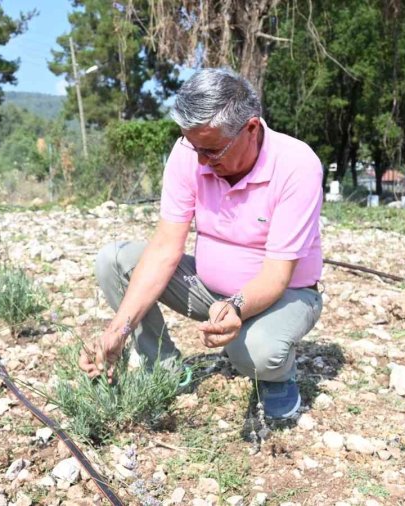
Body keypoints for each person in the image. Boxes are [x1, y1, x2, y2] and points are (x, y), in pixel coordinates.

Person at [80, 68, 324, 420]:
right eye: (193, 147)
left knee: (257, 352)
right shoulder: (189, 151)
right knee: (115, 260)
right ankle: (162, 368)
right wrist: (118, 330)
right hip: (210, 293)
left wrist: (235, 308)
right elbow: (165, 249)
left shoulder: (296, 165)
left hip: (286, 294)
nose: (200, 160)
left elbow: (276, 276)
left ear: (251, 128)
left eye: (211, 150)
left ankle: (277, 377)